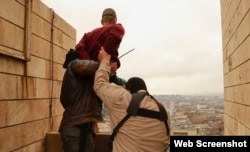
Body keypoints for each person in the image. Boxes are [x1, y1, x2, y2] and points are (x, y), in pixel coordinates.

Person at [93, 47, 170, 152]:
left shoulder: (123, 100)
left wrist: (105, 61)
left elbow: (100, 84)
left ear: (128, 91)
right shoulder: (164, 111)